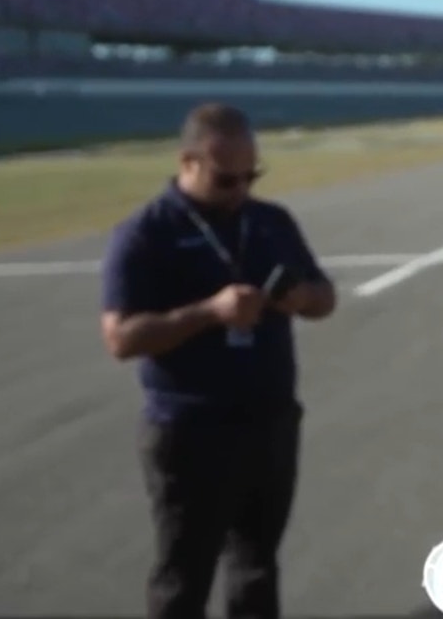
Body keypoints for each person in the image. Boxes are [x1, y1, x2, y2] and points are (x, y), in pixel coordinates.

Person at [98, 102, 337, 619]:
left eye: (251, 175)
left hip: (269, 421)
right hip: (190, 430)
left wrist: (299, 299)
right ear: (189, 163)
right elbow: (121, 338)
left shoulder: (270, 221)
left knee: (257, 566)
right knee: (184, 573)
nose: (242, 189)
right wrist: (211, 311)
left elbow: (325, 297)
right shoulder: (146, 234)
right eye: (228, 179)